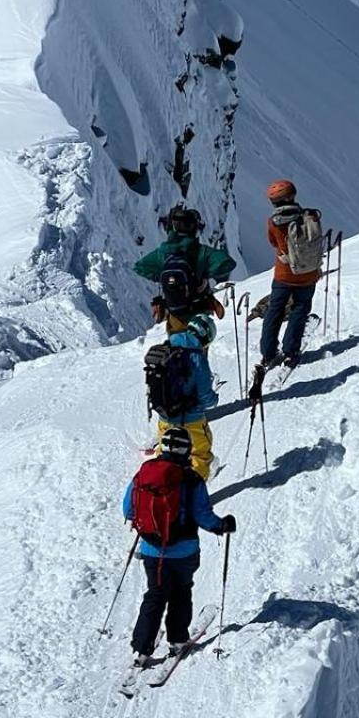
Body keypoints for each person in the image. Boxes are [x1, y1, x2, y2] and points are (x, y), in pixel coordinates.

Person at [123, 425, 235, 666]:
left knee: (155, 595)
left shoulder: (145, 472)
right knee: (181, 593)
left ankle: (141, 649)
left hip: (152, 550)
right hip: (185, 551)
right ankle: (177, 640)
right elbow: (203, 515)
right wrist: (222, 525)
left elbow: (127, 508)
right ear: (187, 451)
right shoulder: (192, 478)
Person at [146, 300, 220, 481]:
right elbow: (205, 396)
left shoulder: (166, 348)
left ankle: (162, 486)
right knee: (200, 455)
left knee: (166, 452)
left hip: (165, 416)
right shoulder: (197, 357)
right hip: (192, 420)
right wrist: (214, 400)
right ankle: (192, 494)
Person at [257, 179, 324, 376]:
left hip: (284, 274)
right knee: (300, 310)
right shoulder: (310, 216)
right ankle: (290, 351)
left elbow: (272, 243)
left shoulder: (273, 222)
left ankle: (268, 352)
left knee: (274, 311)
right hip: (308, 274)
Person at [133, 204, 235, 322]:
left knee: (177, 339)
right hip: (199, 313)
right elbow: (228, 263)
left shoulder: (162, 252)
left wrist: (161, 276)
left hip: (173, 314)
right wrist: (205, 275)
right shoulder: (201, 251)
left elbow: (139, 267)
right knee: (200, 338)